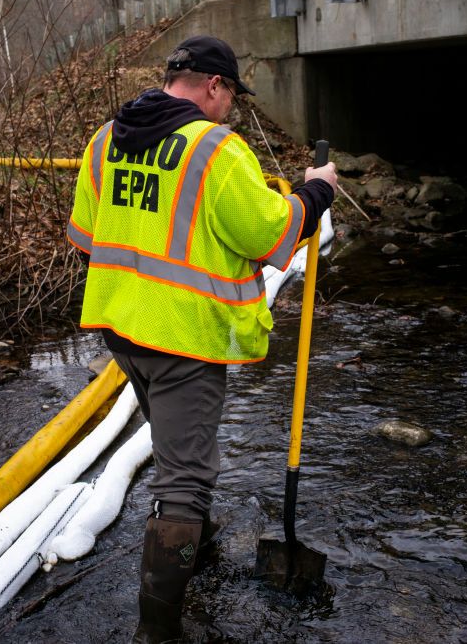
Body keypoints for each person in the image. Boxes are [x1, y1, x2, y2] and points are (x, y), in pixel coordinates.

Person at [67, 35, 337, 643]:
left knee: (174, 449)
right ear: (214, 86)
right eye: (231, 96)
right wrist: (316, 191)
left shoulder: (104, 139)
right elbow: (273, 237)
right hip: (184, 338)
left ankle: (200, 542)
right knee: (184, 481)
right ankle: (157, 630)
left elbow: (87, 235)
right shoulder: (216, 149)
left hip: (120, 325)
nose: (232, 110)